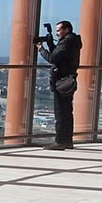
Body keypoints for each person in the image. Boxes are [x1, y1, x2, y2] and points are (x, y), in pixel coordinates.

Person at [36, 20, 81, 149]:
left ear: (66, 30)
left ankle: (60, 141)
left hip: (62, 80)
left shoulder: (66, 42)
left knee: (61, 112)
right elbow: (58, 55)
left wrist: (41, 49)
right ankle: (67, 140)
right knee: (67, 112)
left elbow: (52, 58)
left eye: (58, 31)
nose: (57, 34)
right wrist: (50, 45)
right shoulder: (72, 42)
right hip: (68, 80)